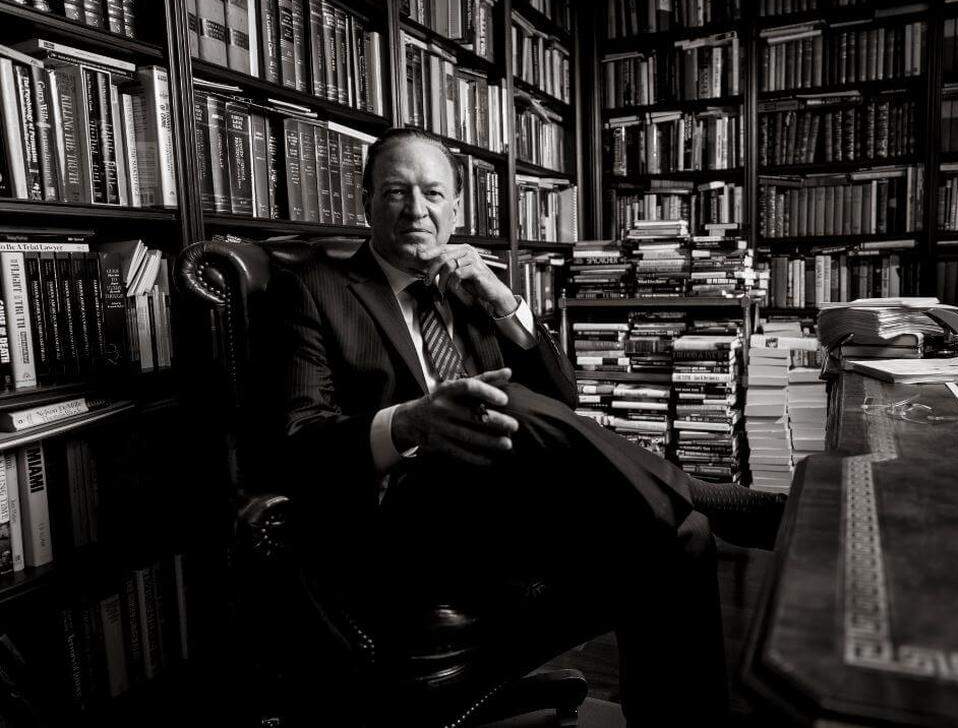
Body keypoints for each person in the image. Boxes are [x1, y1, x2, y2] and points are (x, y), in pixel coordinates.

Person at [274, 127, 786, 726]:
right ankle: (722, 499)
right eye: (395, 192)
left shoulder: (467, 289)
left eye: (433, 194)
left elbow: (563, 399)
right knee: (500, 399)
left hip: (509, 498)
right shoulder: (313, 289)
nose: (417, 210)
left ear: (457, 207)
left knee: (684, 536)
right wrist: (411, 422)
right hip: (406, 514)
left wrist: (504, 304)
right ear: (366, 202)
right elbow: (299, 442)